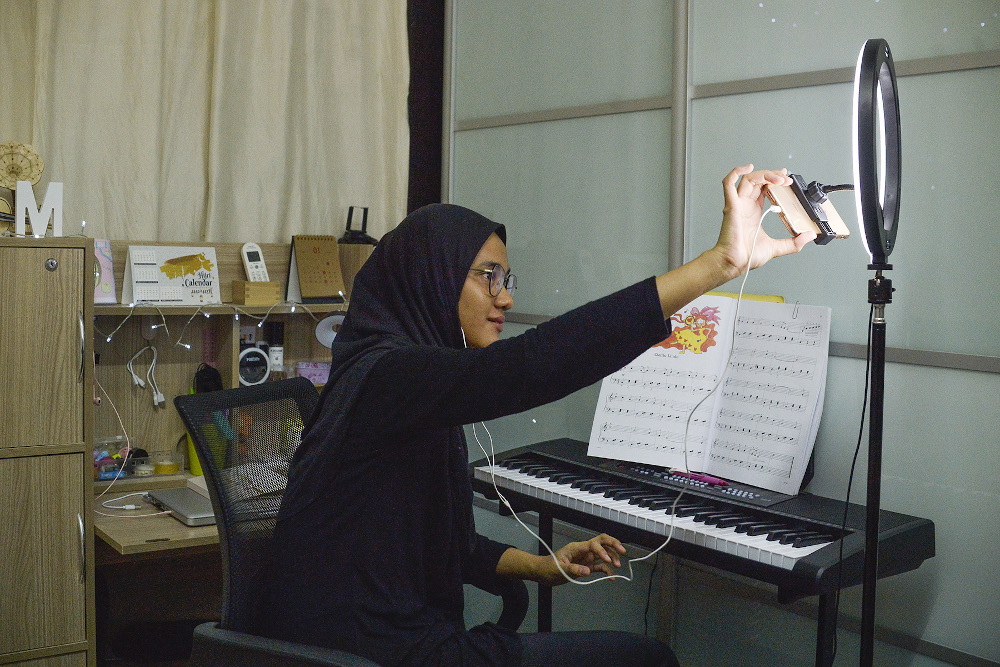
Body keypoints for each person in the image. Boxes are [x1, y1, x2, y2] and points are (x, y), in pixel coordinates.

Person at [262, 165, 816, 666]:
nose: (503, 299)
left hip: (392, 637)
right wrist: (719, 264)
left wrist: (545, 565)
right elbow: (528, 367)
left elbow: (456, 548)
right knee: (645, 660)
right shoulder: (387, 377)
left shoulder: (400, 379)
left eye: (507, 280)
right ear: (430, 278)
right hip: (370, 648)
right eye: (487, 277)